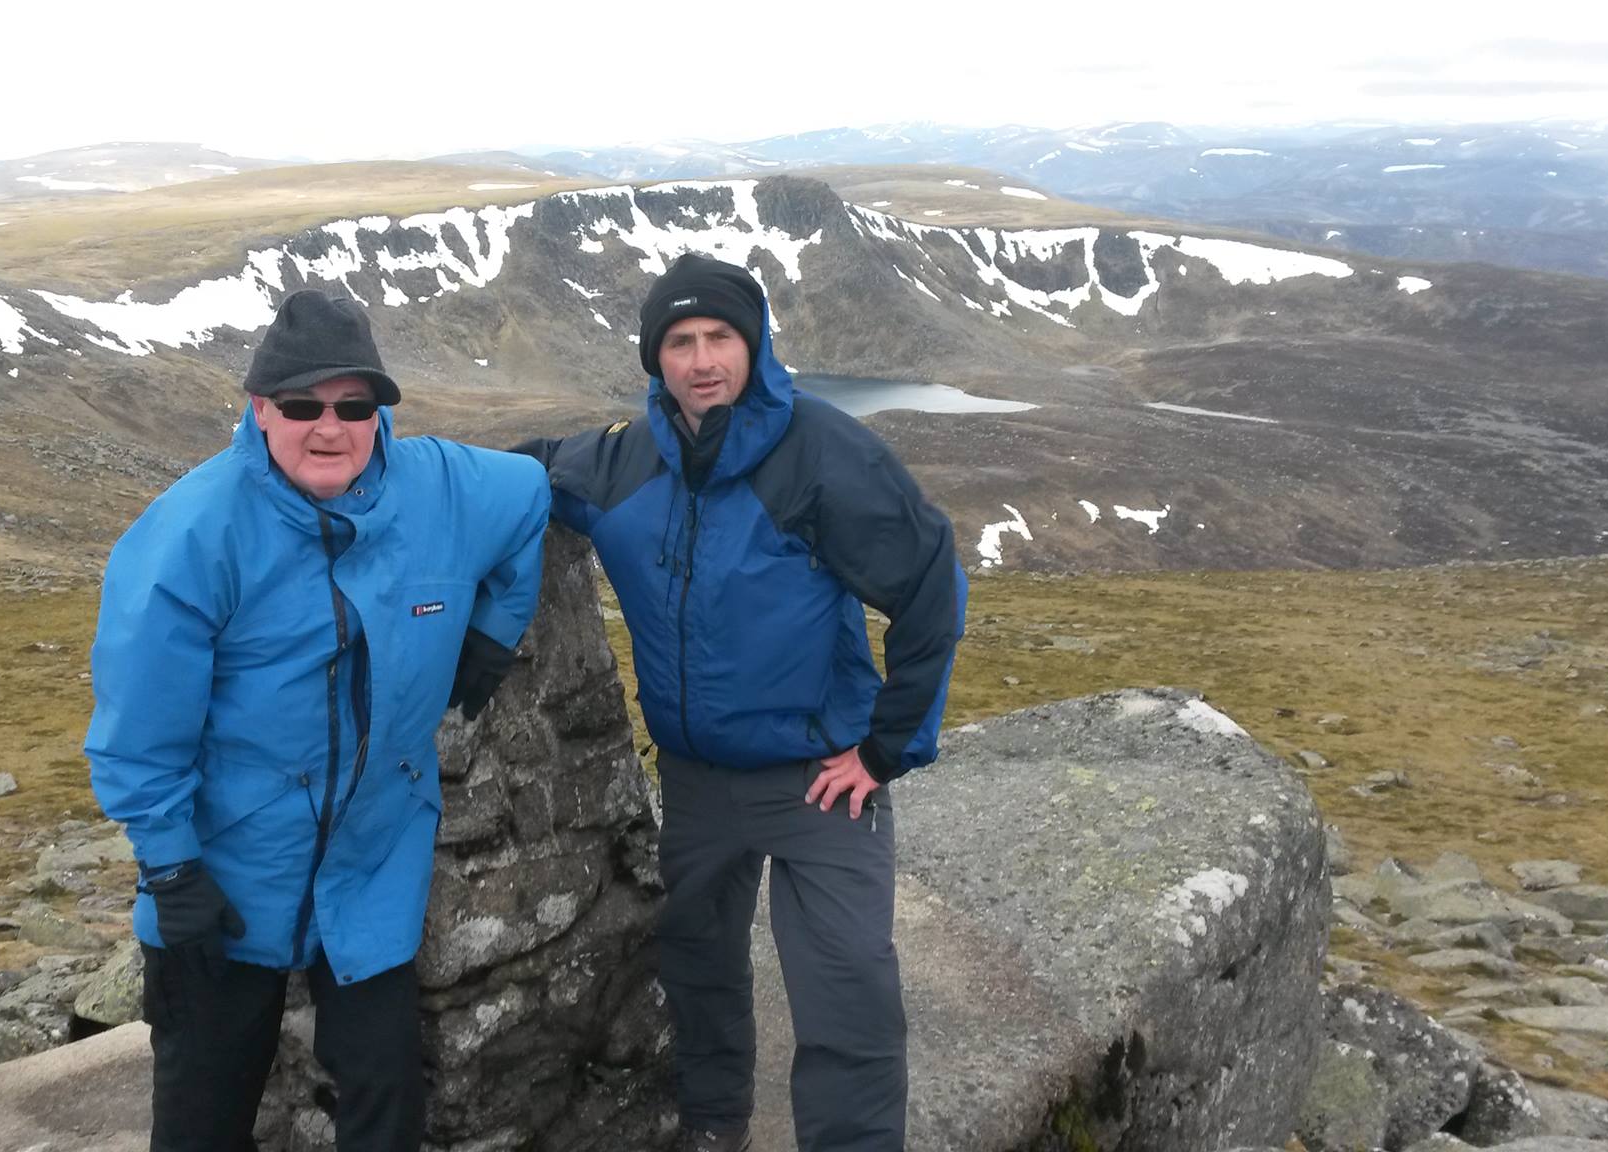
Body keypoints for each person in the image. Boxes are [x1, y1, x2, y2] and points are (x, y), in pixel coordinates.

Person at [517, 253, 966, 1152]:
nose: (702, 360)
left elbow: (929, 583)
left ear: (754, 343)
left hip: (821, 776)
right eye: (680, 341)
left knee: (847, 986)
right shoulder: (624, 460)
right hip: (697, 781)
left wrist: (884, 750)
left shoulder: (823, 453)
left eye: (720, 336)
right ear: (655, 357)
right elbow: (528, 474)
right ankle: (716, 1127)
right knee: (698, 968)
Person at [85, 289, 551, 1152]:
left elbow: (530, 495)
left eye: (354, 406)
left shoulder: (437, 488)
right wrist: (172, 868)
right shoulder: (192, 533)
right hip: (228, 864)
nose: (329, 428)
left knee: (385, 1094)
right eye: (302, 405)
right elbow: (140, 731)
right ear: (260, 408)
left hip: (373, 857)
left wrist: (494, 630)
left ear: (380, 414)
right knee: (201, 1114)